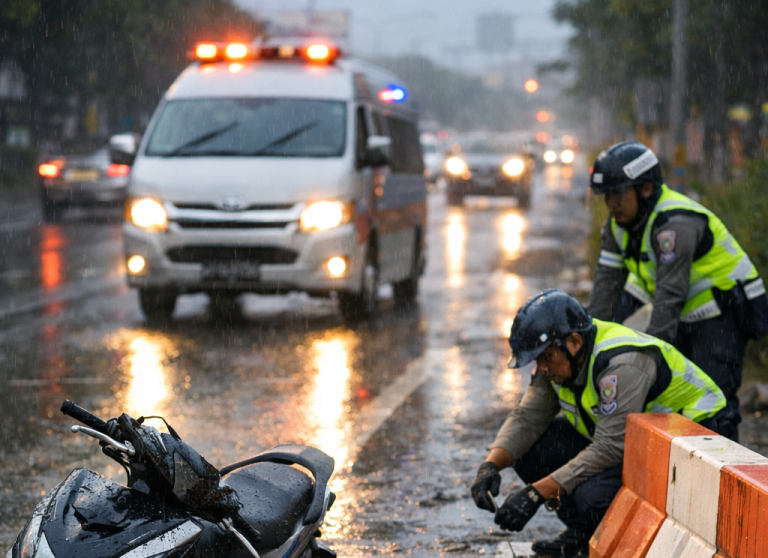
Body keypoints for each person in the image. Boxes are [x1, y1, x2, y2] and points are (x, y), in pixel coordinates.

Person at [471, 289, 734, 558]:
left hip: (699, 439)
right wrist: (489, 466)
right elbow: (526, 419)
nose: (543, 368)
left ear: (574, 341)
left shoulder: (621, 362)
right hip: (639, 442)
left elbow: (610, 448)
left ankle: (603, 534)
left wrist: (536, 493)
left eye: (546, 357)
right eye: (538, 360)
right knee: (530, 449)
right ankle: (582, 533)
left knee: (592, 495)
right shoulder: (561, 362)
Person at [587, 141, 768, 432]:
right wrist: (586, 347)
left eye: (618, 193)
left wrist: (646, 365)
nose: (611, 203)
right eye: (606, 195)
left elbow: (669, 297)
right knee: (677, 400)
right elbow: (604, 298)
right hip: (687, 314)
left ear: (646, 188)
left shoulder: (676, 223)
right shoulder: (617, 227)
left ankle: (726, 472)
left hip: (723, 313)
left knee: (714, 403)